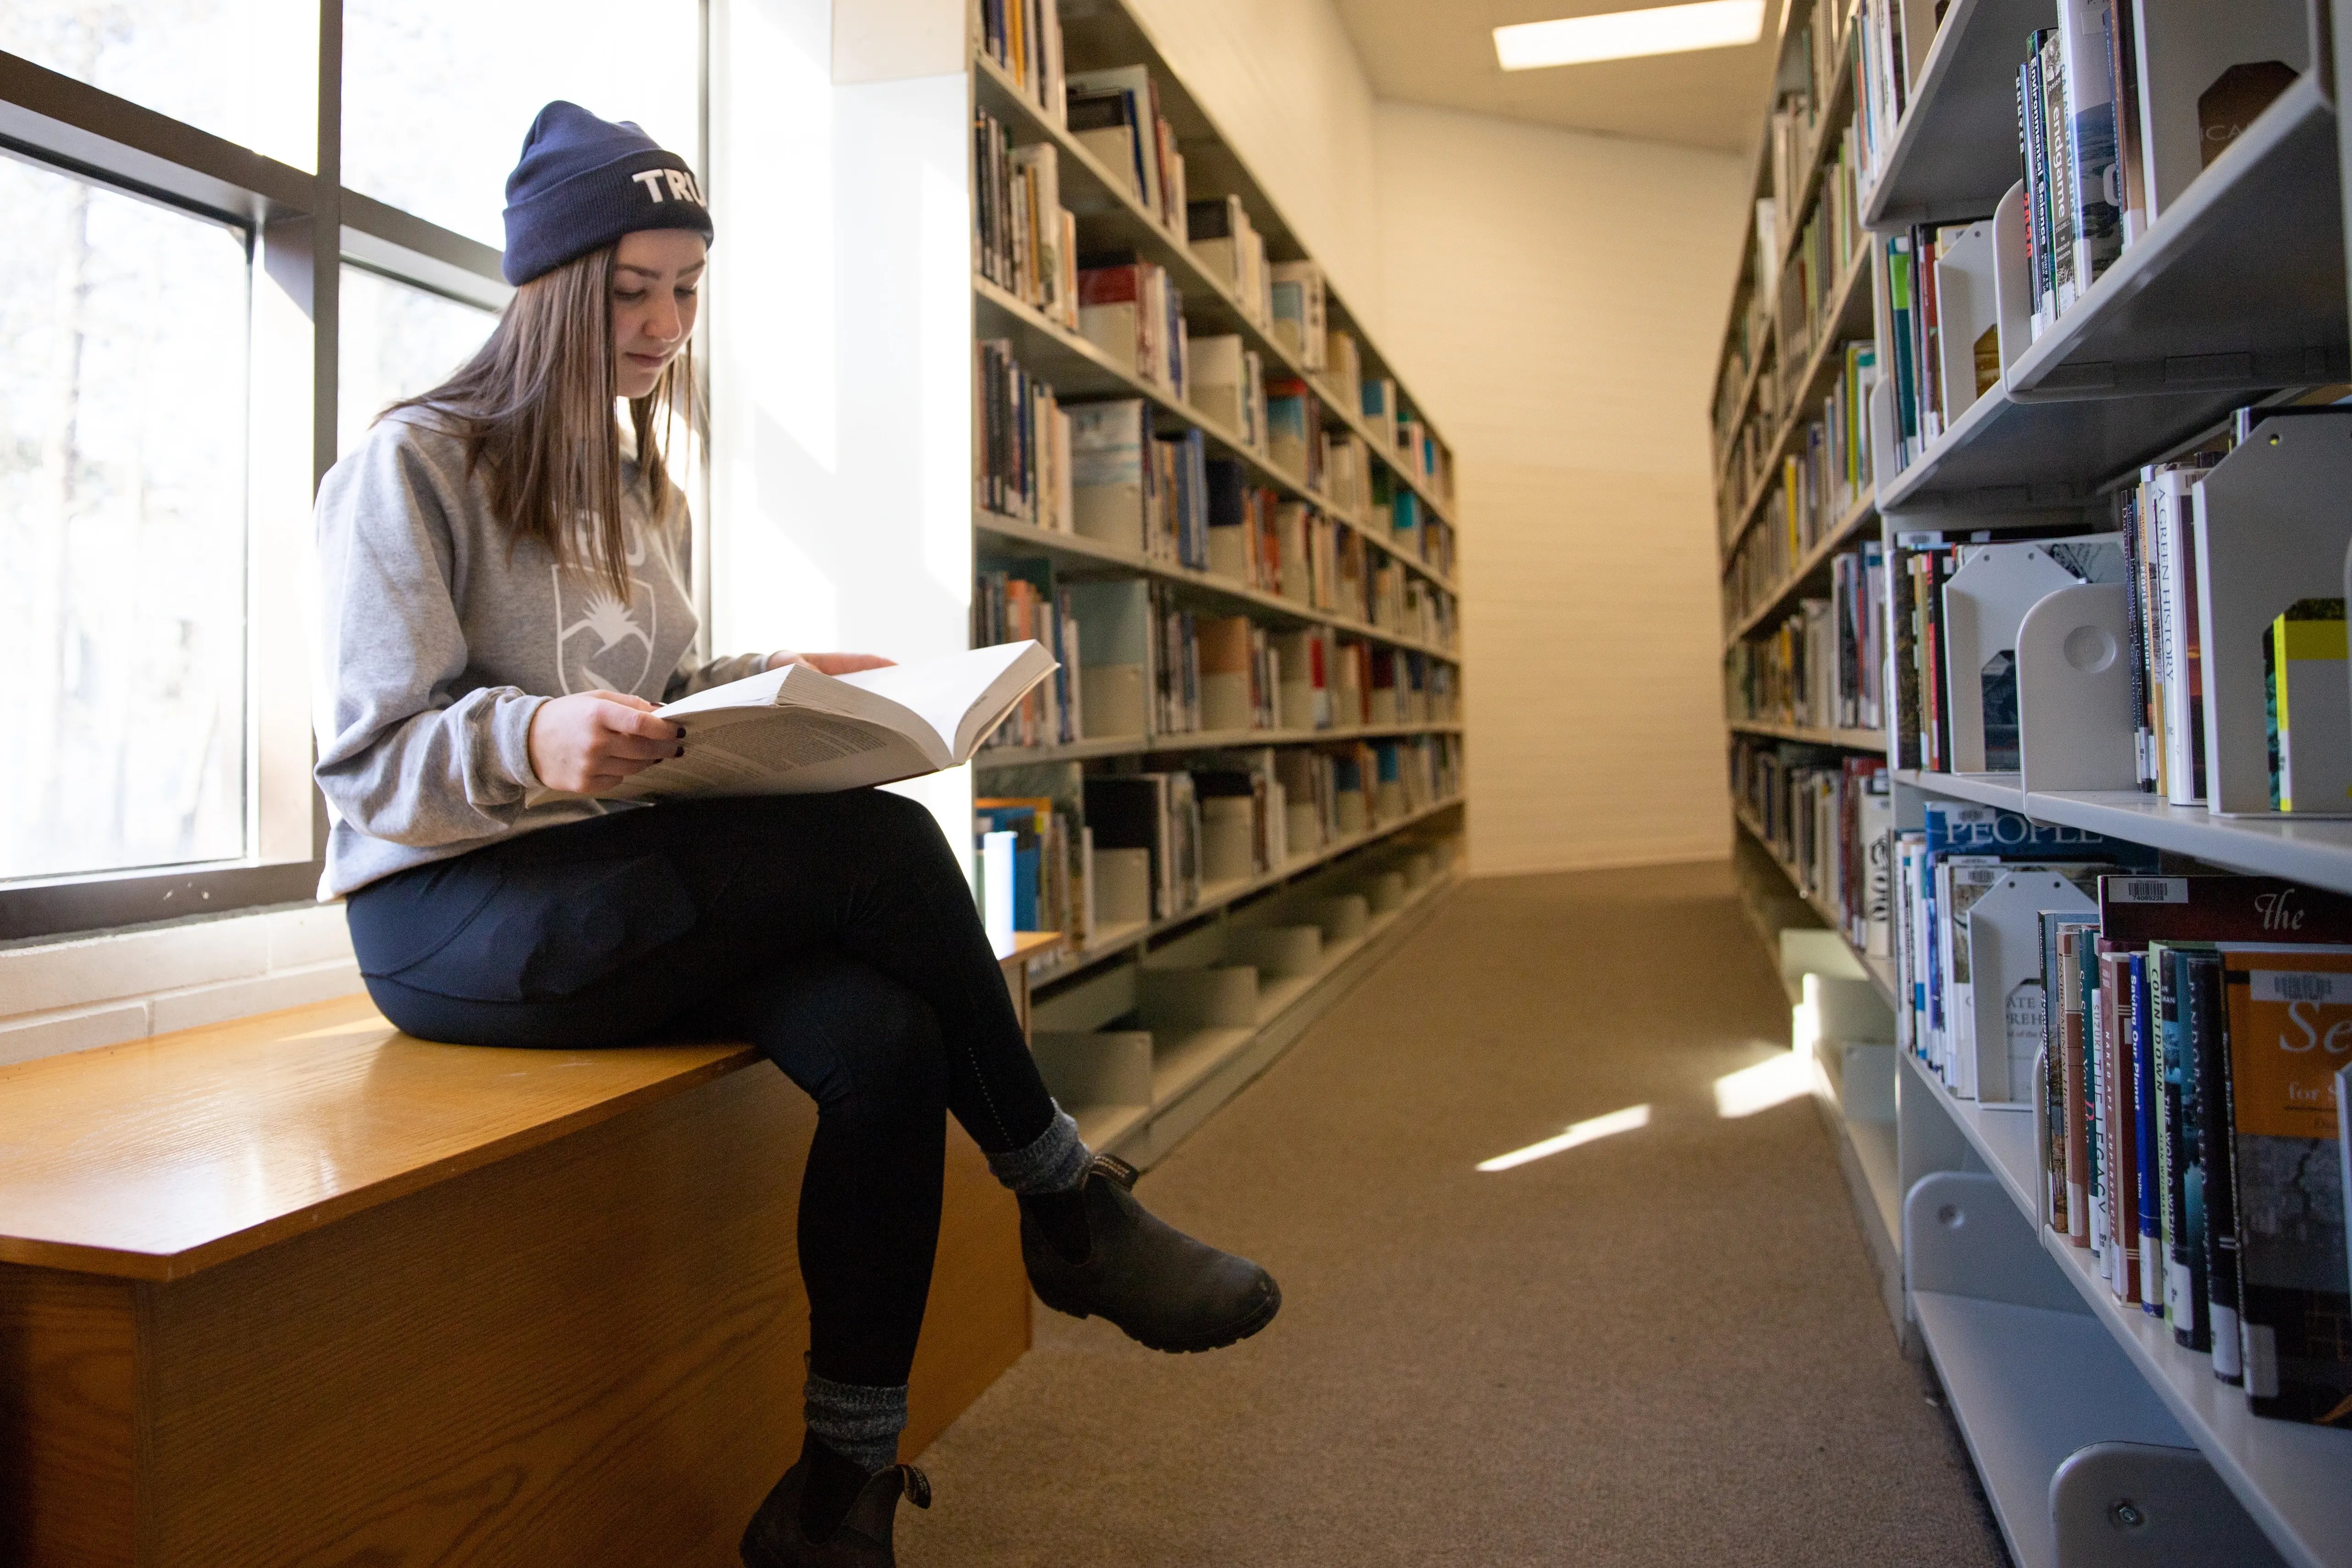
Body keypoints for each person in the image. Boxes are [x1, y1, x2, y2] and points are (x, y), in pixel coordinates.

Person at [312, 102, 1279, 1568]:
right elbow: (367, 762)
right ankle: (1063, 1200)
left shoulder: (641, 482)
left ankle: (839, 1489)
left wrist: (775, 683)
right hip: (445, 915)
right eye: (631, 292)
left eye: (687, 290)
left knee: (887, 1043)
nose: (664, 326)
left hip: (611, 888)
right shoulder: (414, 463)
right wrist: (531, 736)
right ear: (550, 289)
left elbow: (653, 689)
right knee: (877, 846)